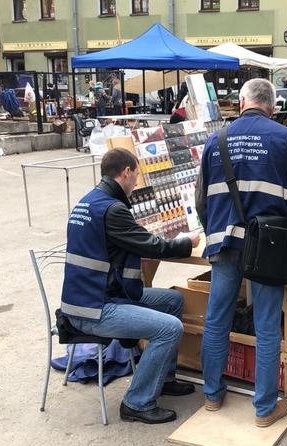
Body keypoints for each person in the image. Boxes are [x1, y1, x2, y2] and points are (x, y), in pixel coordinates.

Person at [195, 79, 287, 428]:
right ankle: (264, 410)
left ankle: (213, 396)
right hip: (268, 246)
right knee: (266, 325)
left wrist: (214, 230)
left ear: (242, 101)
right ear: (272, 106)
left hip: (223, 243)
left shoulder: (215, 140)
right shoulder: (284, 138)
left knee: (217, 319)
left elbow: (201, 200)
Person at [60, 148, 200, 424]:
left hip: (93, 295)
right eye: (135, 175)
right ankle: (136, 402)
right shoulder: (112, 210)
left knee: (173, 301)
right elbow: (149, 244)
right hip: (94, 309)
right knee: (170, 328)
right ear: (126, 172)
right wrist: (186, 242)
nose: (136, 182)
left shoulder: (89, 201)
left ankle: (162, 378)